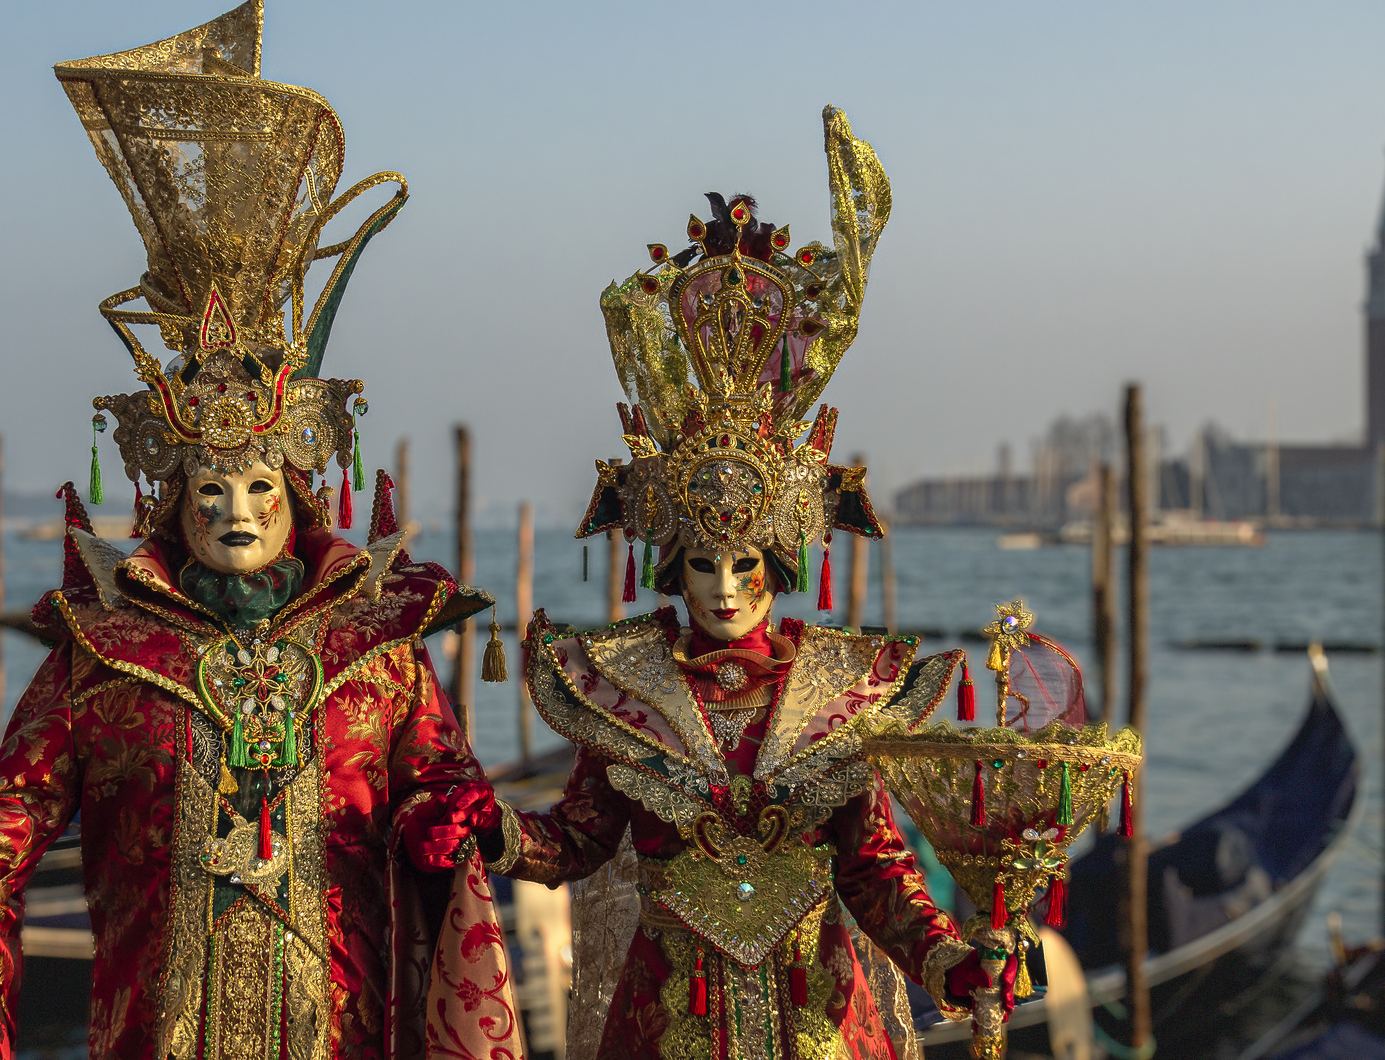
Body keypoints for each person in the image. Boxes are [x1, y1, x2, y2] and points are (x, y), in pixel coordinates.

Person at [0, 0, 522, 1060]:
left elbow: (432, 775)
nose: (235, 515)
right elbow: (13, 813)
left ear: (300, 492)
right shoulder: (103, 654)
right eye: (207, 493)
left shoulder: (377, 645)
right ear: (168, 499)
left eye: (259, 488)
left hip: (344, 1027)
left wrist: (450, 817)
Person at [419, 110, 1017, 1060]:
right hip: (667, 1023)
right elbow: (574, 841)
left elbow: (873, 865)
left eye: (746, 566)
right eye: (704, 564)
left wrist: (948, 958)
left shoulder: (842, 688)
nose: (727, 589)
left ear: (782, 566)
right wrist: (487, 829)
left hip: (822, 1018)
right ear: (670, 565)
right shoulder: (622, 683)